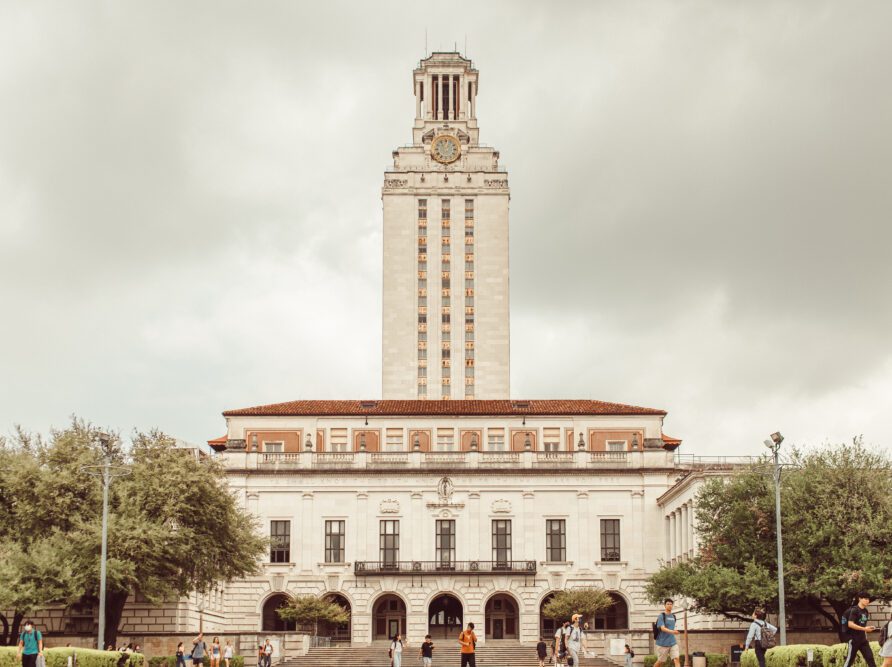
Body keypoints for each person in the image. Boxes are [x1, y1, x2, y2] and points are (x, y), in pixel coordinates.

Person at [842, 593, 878, 667]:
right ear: (860, 599)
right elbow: (850, 624)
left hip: (863, 640)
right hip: (853, 640)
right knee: (849, 661)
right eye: (865, 599)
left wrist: (868, 628)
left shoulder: (865, 611)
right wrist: (864, 629)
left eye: (868, 599)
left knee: (870, 658)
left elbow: (861, 624)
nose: (867, 601)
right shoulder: (854, 610)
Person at [653, 599, 681, 667]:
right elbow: (662, 628)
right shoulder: (661, 616)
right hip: (662, 643)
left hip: (672, 642)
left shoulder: (673, 616)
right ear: (665, 605)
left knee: (676, 659)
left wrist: (673, 632)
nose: (669, 605)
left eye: (671, 604)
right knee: (660, 662)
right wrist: (673, 632)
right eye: (668, 604)